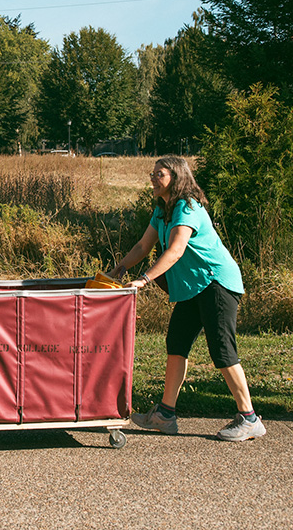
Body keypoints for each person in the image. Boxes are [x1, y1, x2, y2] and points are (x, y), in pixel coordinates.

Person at [110, 155, 265, 442]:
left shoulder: (187, 207)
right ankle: (166, 415)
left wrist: (144, 279)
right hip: (194, 287)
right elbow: (144, 245)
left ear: (177, 178)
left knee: (221, 349)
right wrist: (118, 269)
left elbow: (177, 249)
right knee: (176, 344)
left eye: (160, 174)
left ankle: (249, 418)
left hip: (216, 283)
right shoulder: (162, 210)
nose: (153, 178)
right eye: (153, 173)